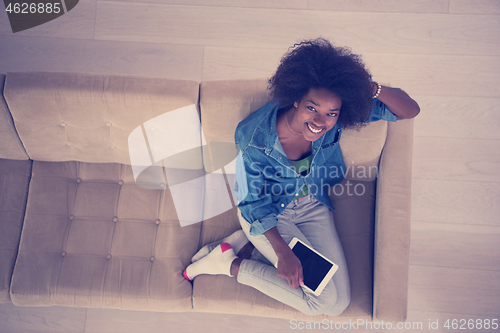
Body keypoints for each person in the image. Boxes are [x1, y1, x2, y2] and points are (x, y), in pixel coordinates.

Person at [183, 38, 419, 316]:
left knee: (338, 304)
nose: (320, 121)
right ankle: (228, 264)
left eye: (331, 113)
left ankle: (250, 249)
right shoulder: (254, 138)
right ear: (295, 97)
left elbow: (409, 111)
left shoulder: (335, 117)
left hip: (313, 207)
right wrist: (283, 253)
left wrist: (368, 88)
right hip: (269, 216)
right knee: (320, 303)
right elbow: (253, 205)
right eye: (312, 108)